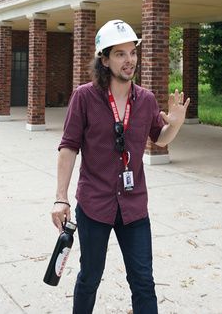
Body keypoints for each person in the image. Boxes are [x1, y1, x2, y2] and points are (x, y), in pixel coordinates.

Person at [51, 19, 190, 314]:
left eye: (132, 53)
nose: (130, 61)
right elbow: (68, 147)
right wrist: (61, 197)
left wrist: (175, 124)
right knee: (89, 278)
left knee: (143, 282)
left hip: (134, 206)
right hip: (93, 205)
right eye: (120, 54)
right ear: (104, 59)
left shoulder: (147, 100)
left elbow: (161, 139)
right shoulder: (84, 97)